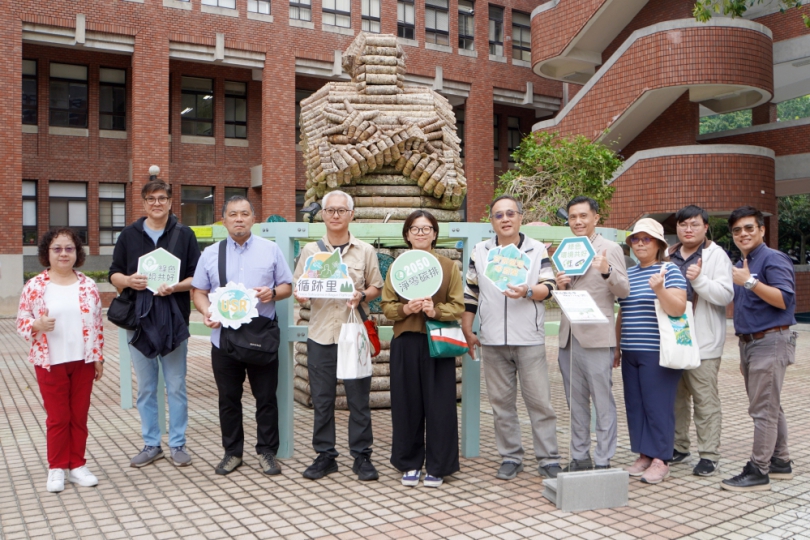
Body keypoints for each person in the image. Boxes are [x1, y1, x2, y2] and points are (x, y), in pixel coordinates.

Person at [461, 195, 561, 481]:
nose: (504, 219)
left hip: (528, 338)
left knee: (540, 403)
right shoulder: (480, 251)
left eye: (510, 214)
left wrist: (528, 291)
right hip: (492, 339)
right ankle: (510, 457)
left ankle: (549, 458)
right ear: (491, 221)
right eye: (498, 215)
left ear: (520, 217)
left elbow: (550, 286)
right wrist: (469, 329)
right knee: (501, 404)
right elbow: (470, 293)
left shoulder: (536, 248)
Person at [192, 196, 292, 476]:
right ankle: (232, 452)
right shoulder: (211, 253)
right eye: (233, 214)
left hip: (261, 337)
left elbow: (287, 286)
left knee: (266, 398)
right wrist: (206, 311)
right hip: (224, 339)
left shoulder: (270, 250)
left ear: (253, 219)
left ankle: (267, 452)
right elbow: (198, 290)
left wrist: (272, 293)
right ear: (223, 220)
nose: (239, 219)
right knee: (228, 398)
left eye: (245, 214)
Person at [293, 190, 384, 481]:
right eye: (330, 210)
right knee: (321, 398)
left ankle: (362, 456)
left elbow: (376, 287)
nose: (335, 215)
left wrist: (362, 295)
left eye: (341, 210)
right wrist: (303, 293)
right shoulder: (311, 252)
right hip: (320, 334)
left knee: (359, 398)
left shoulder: (365, 250)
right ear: (323, 215)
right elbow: (299, 291)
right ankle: (325, 455)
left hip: (353, 332)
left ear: (351, 215)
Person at [110, 181, 201, 468]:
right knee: (147, 387)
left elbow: (196, 278)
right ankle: (151, 444)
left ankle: (178, 444)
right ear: (144, 202)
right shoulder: (129, 235)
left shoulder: (184, 235)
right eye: (151, 199)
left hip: (174, 320)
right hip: (139, 322)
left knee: (176, 385)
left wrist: (175, 287)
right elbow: (114, 274)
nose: (157, 203)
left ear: (171, 202)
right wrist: (128, 281)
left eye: (162, 198)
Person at [381, 210, 465, 488]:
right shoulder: (398, 266)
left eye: (426, 228)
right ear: (406, 235)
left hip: (437, 342)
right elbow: (386, 306)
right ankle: (409, 462)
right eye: (414, 229)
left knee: (441, 405)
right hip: (405, 342)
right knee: (406, 404)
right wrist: (405, 308)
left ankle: (439, 465)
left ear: (434, 233)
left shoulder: (448, 266)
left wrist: (435, 310)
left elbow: (458, 306)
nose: (420, 233)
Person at [17, 229, 104, 493]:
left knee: (78, 416)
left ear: (77, 253)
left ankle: (77, 465)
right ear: (47, 253)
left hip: (83, 360)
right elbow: (21, 324)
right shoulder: (35, 286)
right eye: (57, 249)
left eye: (69, 248)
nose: (64, 253)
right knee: (58, 417)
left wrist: (98, 357)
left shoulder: (88, 285)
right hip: (50, 361)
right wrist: (37, 324)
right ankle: (56, 467)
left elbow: (98, 323)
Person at [721, 206, 797, 492]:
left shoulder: (772, 259)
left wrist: (750, 282)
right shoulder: (745, 261)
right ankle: (780, 461)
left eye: (749, 228)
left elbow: (784, 300)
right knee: (770, 404)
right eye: (737, 230)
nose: (743, 234)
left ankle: (758, 470)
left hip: (770, 341)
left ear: (762, 230)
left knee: (762, 408)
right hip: (751, 343)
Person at [555, 196, 629, 471]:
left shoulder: (609, 249)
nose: (577, 221)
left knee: (602, 401)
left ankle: (603, 458)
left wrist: (607, 270)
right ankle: (579, 456)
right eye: (573, 217)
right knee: (575, 403)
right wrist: (561, 286)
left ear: (596, 218)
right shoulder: (566, 250)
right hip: (568, 338)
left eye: (583, 216)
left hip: (598, 337)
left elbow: (624, 290)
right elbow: (565, 296)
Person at [616, 218, 687, 484]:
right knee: (635, 406)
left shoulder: (670, 271)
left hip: (659, 352)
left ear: (659, 244)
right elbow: (623, 312)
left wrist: (659, 289)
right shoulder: (629, 274)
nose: (640, 243)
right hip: (630, 350)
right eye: (636, 239)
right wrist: (617, 347)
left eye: (647, 239)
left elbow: (678, 308)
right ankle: (644, 454)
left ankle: (661, 458)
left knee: (658, 406)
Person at [668, 205, 734, 477]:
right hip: (673, 339)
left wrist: (700, 281)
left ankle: (709, 454)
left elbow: (725, 295)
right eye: (683, 224)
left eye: (694, 224)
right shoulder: (668, 254)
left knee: (704, 399)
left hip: (703, 342)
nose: (688, 229)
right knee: (675, 399)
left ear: (706, 227)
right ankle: (679, 447)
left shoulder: (716, 256)